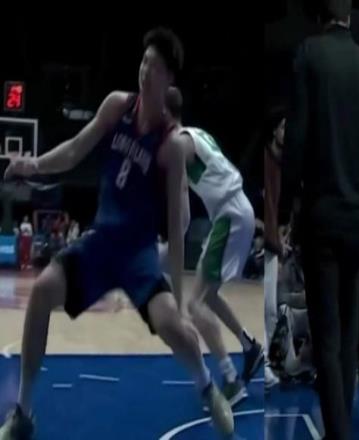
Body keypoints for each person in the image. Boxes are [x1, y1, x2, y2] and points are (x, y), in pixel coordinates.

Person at [0, 28, 233, 439]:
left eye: (155, 67)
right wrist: (33, 165)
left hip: (138, 255)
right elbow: (75, 149)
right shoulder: (116, 106)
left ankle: (207, 387)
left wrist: (180, 300)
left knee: (174, 327)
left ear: (169, 79)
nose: (145, 71)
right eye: (144, 62)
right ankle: (23, 412)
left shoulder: (172, 145)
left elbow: (176, 226)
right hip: (100, 243)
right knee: (41, 293)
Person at [279, 0, 359, 438]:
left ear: (319, 15)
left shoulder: (309, 54)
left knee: (326, 336)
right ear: (349, 16)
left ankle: (338, 433)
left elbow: (296, 137)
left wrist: (284, 210)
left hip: (321, 214)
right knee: (348, 335)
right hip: (358, 218)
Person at [162, 87, 264, 407]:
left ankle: (231, 381)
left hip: (230, 215)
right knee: (209, 295)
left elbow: (182, 199)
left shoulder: (179, 143)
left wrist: (175, 241)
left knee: (193, 304)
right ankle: (249, 346)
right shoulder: (196, 134)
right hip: (235, 210)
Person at [264, 110, 286, 390]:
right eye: (283, 127)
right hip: (263, 239)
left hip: (274, 242)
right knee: (266, 306)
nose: (286, 132)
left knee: (271, 307)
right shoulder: (265, 159)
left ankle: (267, 361)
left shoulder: (284, 163)